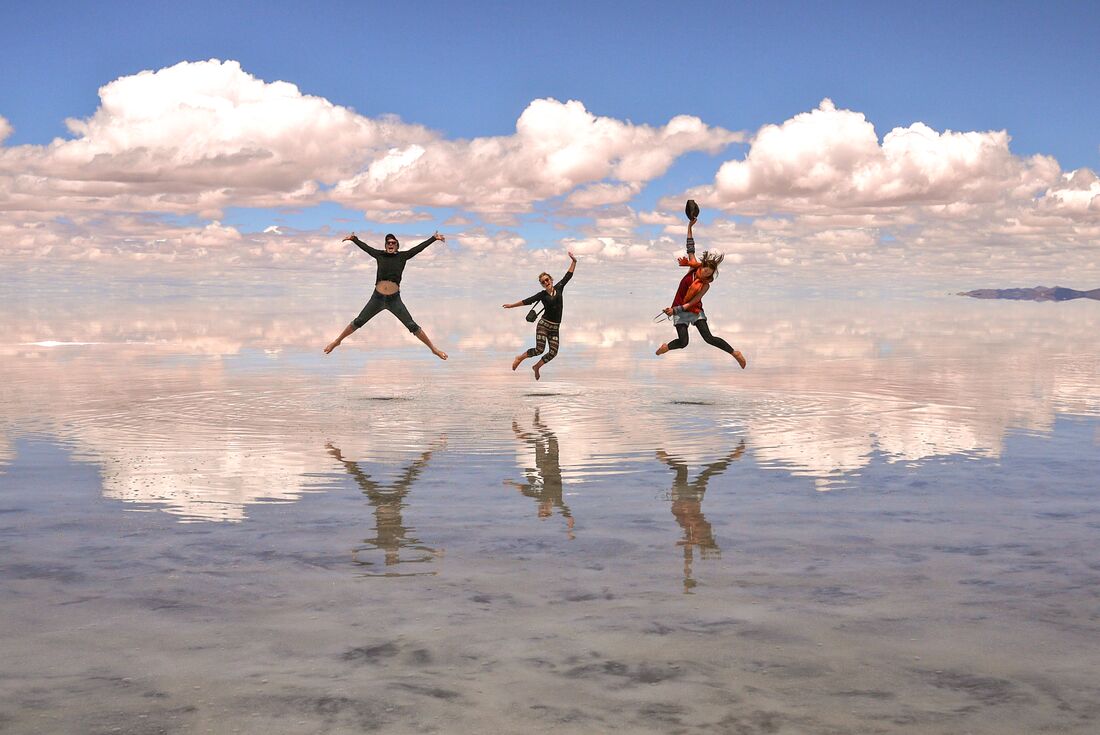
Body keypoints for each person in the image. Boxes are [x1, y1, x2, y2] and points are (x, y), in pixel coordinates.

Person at [324, 231, 448, 359]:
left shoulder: (403, 256)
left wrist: (434, 238)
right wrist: (354, 239)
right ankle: (337, 341)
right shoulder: (379, 255)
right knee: (359, 321)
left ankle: (434, 349)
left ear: (397, 245)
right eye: (388, 243)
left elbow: (418, 249)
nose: (390, 244)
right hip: (377, 298)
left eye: (393, 243)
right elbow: (366, 248)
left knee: (411, 325)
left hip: (394, 300)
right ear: (385, 245)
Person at [655, 217, 747, 368]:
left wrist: (674, 310)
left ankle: (735, 353)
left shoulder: (705, 286)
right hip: (679, 310)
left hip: (694, 310)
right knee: (683, 342)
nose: (705, 274)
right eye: (705, 270)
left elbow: (692, 302)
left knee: (709, 338)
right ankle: (667, 347)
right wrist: (690, 226)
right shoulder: (692, 268)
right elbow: (690, 247)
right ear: (701, 266)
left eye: (708, 273)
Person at [502, 252, 577, 380]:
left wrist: (574, 262)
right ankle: (520, 358)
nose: (546, 282)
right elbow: (527, 301)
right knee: (539, 349)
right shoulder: (542, 295)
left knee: (553, 352)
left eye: (547, 280)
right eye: (543, 282)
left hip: (555, 328)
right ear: (542, 284)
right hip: (543, 325)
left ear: (551, 280)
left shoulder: (559, 288)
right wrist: (511, 306)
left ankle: (536, 367)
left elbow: (568, 276)